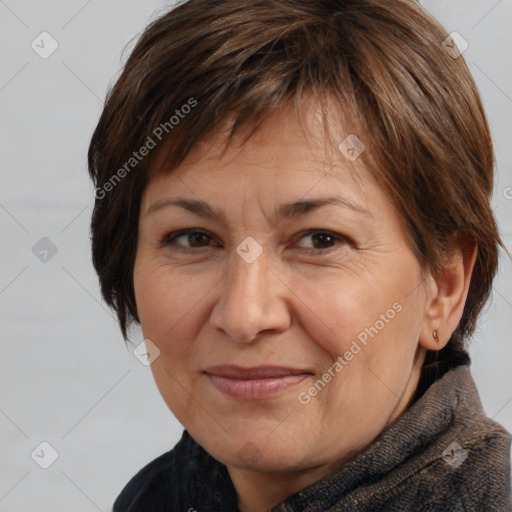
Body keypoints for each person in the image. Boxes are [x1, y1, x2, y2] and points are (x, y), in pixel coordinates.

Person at [87, 0, 511, 510]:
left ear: (443, 286)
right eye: (194, 238)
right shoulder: (152, 497)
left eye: (319, 240)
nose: (244, 316)